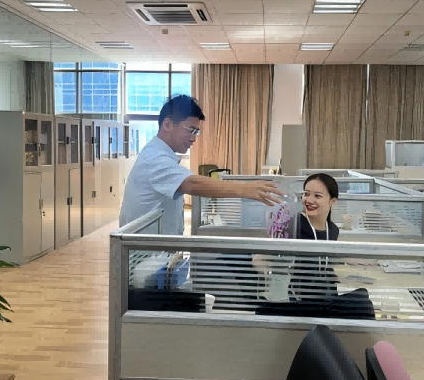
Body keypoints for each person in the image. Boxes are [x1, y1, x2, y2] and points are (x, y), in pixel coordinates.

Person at [119, 95, 282, 234]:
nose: (193, 139)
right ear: (167, 125)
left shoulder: (161, 155)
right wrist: (245, 189)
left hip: (156, 253)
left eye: (196, 132)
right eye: (190, 130)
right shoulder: (154, 158)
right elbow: (191, 183)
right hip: (144, 256)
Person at [289, 174, 340, 300]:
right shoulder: (292, 226)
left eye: (317, 196)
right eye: (306, 194)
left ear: (332, 201)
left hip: (324, 295)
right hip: (297, 298)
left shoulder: (333, 230)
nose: (309, 200)